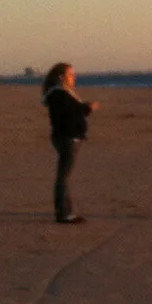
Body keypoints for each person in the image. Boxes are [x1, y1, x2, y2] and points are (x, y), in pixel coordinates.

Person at [41, 63, 96, 224]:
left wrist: (86, 108)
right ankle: (64, 213)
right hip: (67, 138)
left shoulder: (61, 94)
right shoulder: (59, 94)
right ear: (61, 77)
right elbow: (69, 115)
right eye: (71, 75)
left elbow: (75, 111)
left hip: (67, 137)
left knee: (64, 176)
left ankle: (65, 212)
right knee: (63, 177)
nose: (74, 77)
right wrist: (86, 108)